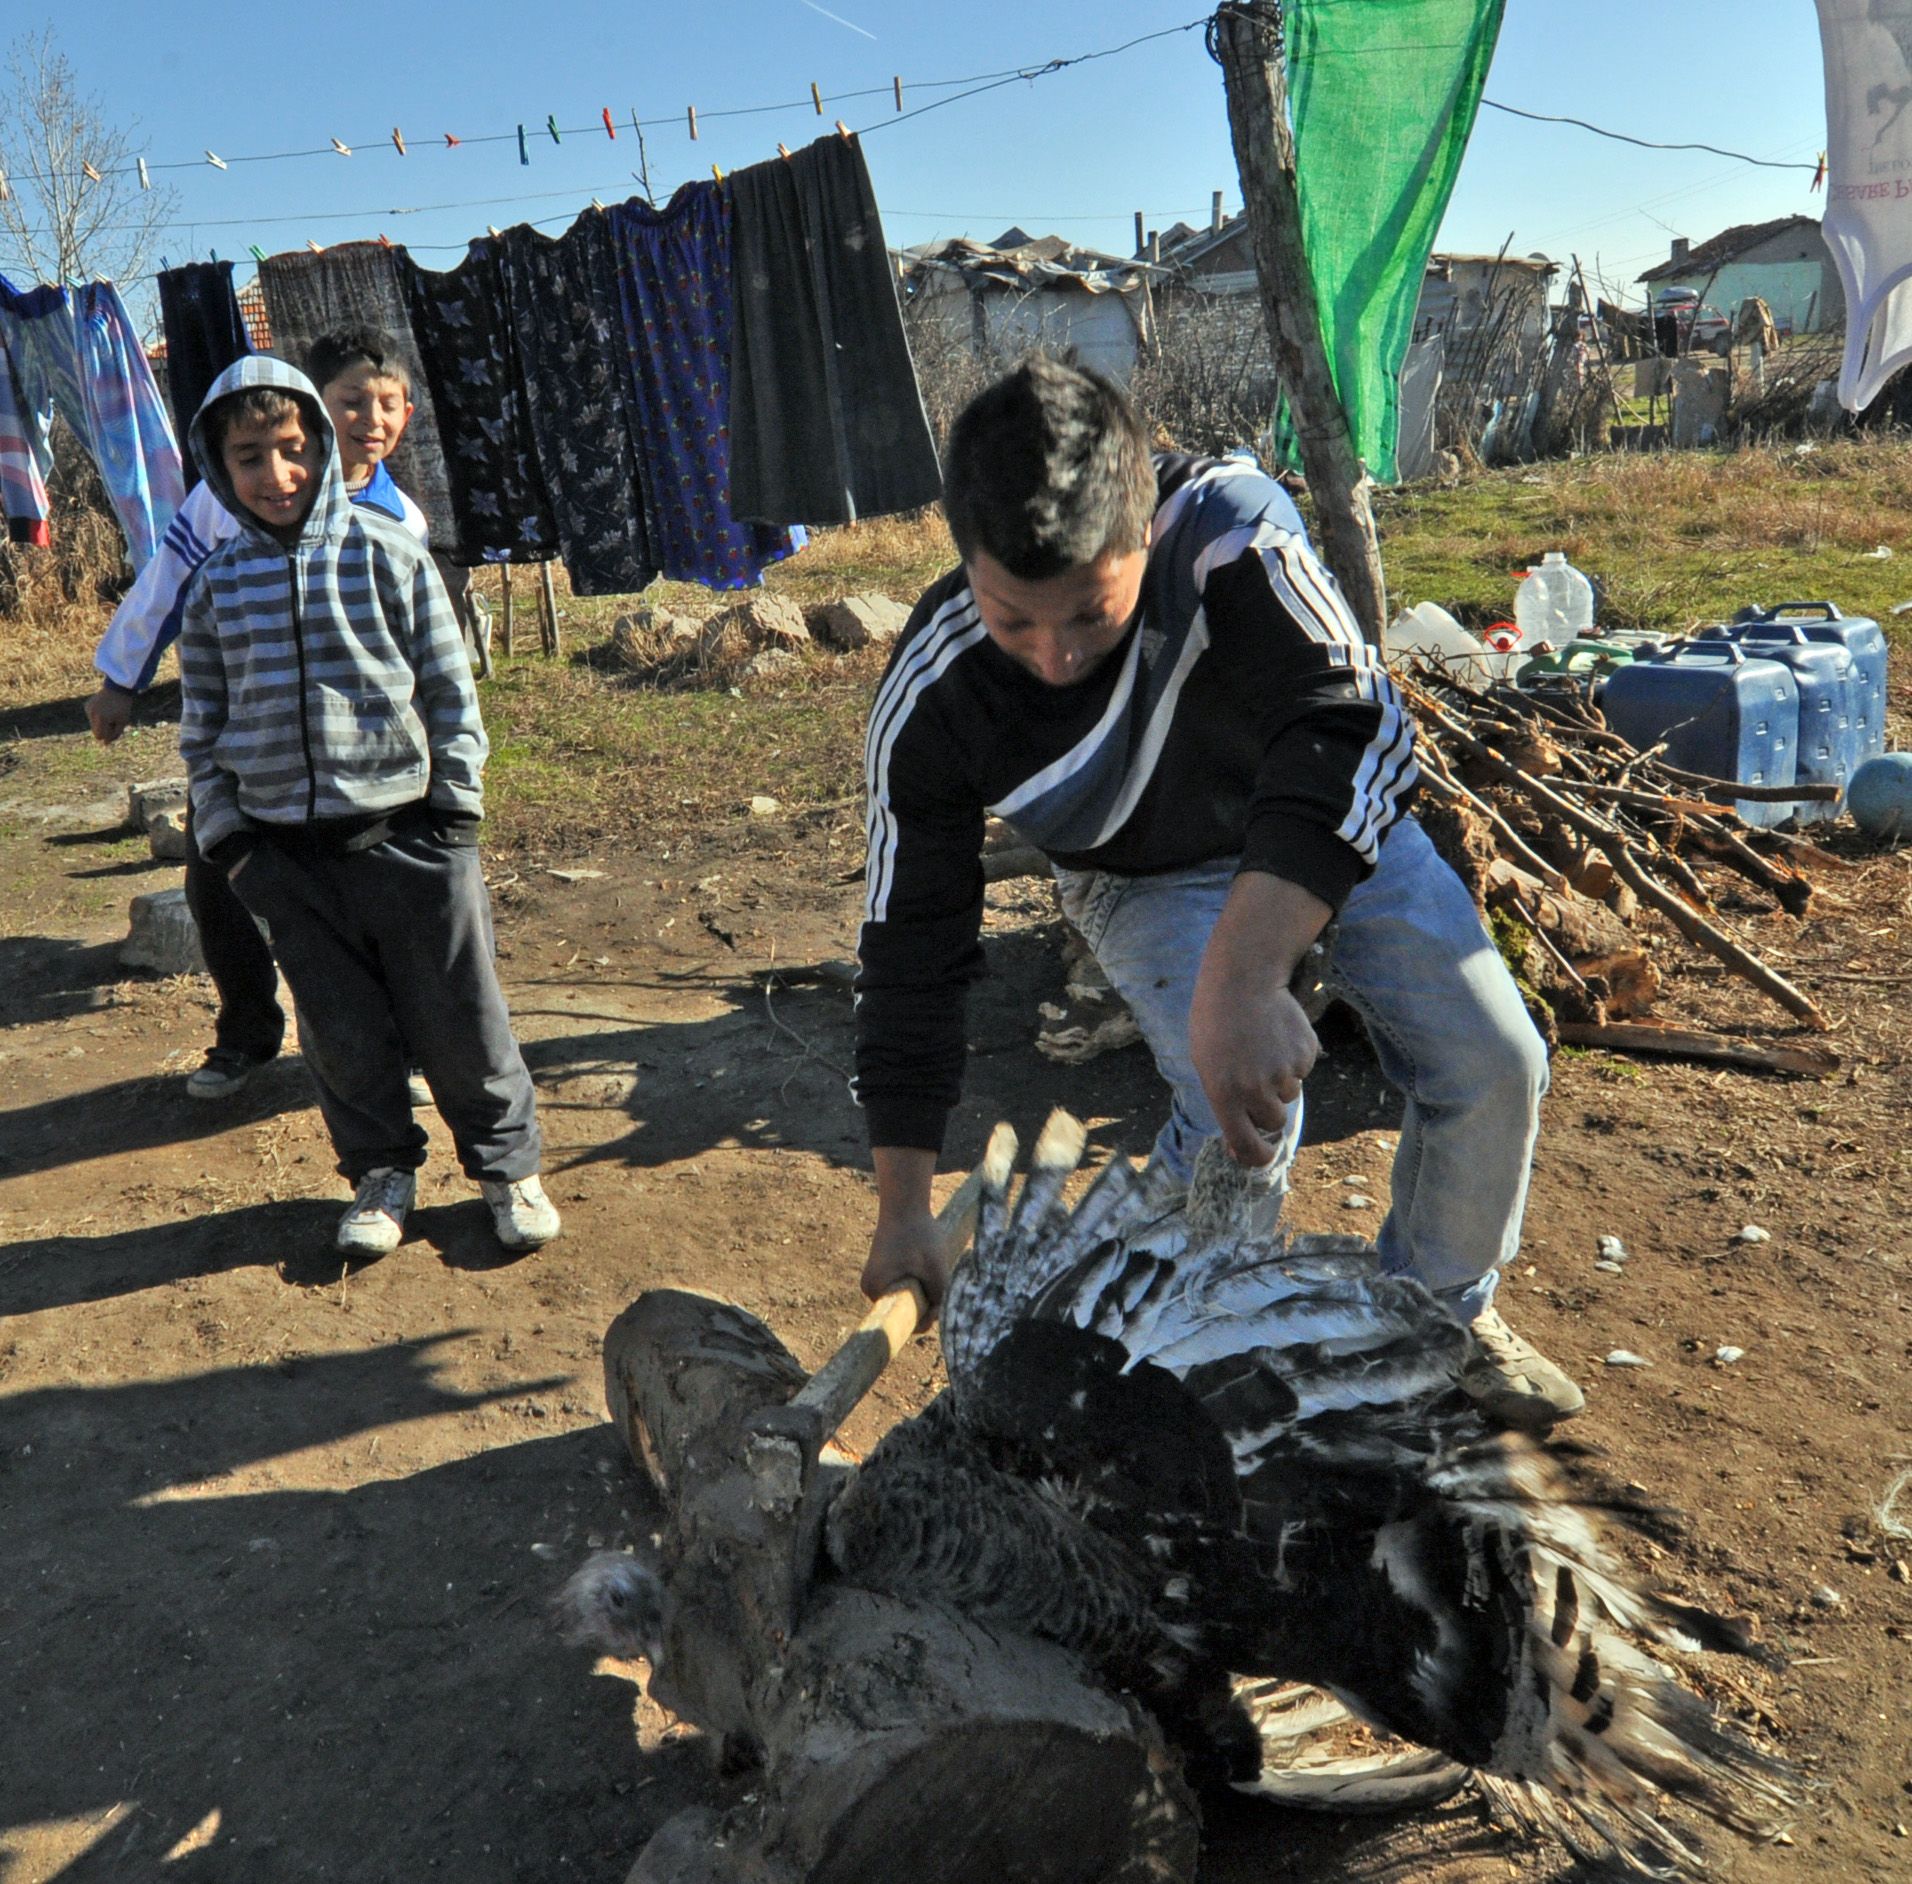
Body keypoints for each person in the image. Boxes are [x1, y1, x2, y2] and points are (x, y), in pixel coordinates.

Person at [853, 355, 1580, 1431]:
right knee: (1239, 1114)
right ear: (964, 563)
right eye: (1014, 623)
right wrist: (905, 1207)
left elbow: (1355, 719)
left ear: (1143, 529)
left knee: (1495, 1059)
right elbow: (910, 950)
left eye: (1090, 621)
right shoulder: (932, 696)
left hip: (1315, 817)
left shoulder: (1232, 530)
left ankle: (1428, 1322)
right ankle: (1174, 1370)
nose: (1053, 660)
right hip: (1129, 869)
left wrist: (1245, 970)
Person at [174, 353, 557, 1257]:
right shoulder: (215, 590)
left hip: (410, 838)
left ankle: (507, 1169)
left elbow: (448, 690)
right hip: (286, 858)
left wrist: (454, 812)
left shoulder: (389, 554)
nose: (277, 476)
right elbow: (202, 731)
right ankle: (382, 1172)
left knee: (462, 1016)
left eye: (293, 449)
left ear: (320, 440)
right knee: (340, 1031)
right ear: (219, 469)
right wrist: (233, 843)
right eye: (249, 457)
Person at [86, 328, 466, 1104]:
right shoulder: (230, 499)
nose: (369, 419)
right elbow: (166, 584)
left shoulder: (401, 523)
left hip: (365, 768)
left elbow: (430, 657)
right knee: (218, 888)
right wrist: (119, 677)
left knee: (386, 912)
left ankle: (405, 1047)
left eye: (385, 404)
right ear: (315, 411)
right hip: (247, 751)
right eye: (350, 402)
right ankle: (247, 1035)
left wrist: (440, 760)